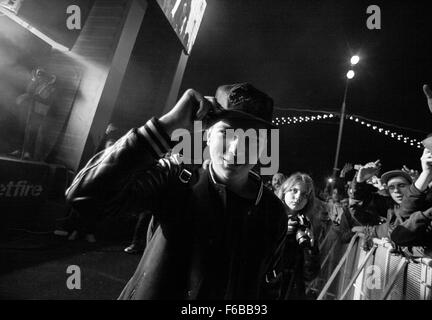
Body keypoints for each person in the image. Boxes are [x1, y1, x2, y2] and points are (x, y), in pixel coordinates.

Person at [66, 83, 287, 299]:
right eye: (227, 133)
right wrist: (165, 126)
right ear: (208, 135)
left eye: (251, 139)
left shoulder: (272, 212)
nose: (235, 149)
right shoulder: (177, 176)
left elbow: (268, 287)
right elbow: (85, 197)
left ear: (264, 147)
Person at [276, 172, 322, 299]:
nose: (298, 197)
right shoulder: (268, 216)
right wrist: (279, 234)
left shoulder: (306, 224)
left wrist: (311, 249)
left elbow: (310, 274)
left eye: (304, 194)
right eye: (294, 190)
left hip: (291, 291)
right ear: (284, 190)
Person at [349, 160, 413, 240]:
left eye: (401, 185)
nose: (396, 190)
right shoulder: (390, 209)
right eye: (391, 187)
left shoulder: (423, 205)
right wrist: (359, 182)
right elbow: (356, 210)